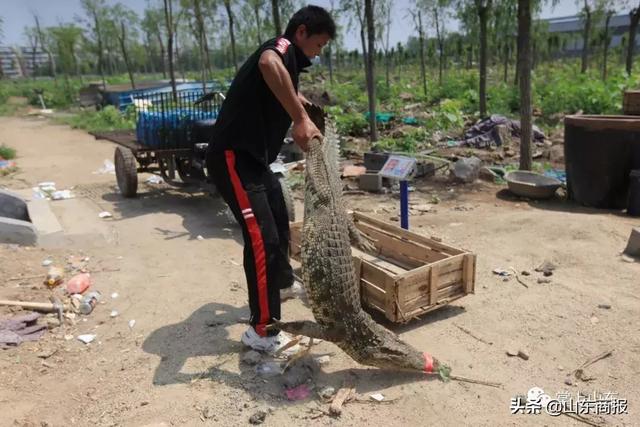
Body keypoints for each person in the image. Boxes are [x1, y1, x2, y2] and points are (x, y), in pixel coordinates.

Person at [206, 6, 335, 354]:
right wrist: (298, 118)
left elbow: (279, 87)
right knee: (261, 238)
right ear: (303, 32)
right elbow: (267, 63)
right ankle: (262, 331)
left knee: (280, 222)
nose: (319, 52)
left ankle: (278, 285)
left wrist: (301, 104)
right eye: (319, 44)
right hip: (233, 157)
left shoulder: (292, 66)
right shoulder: (280, 47)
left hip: (257, 161)